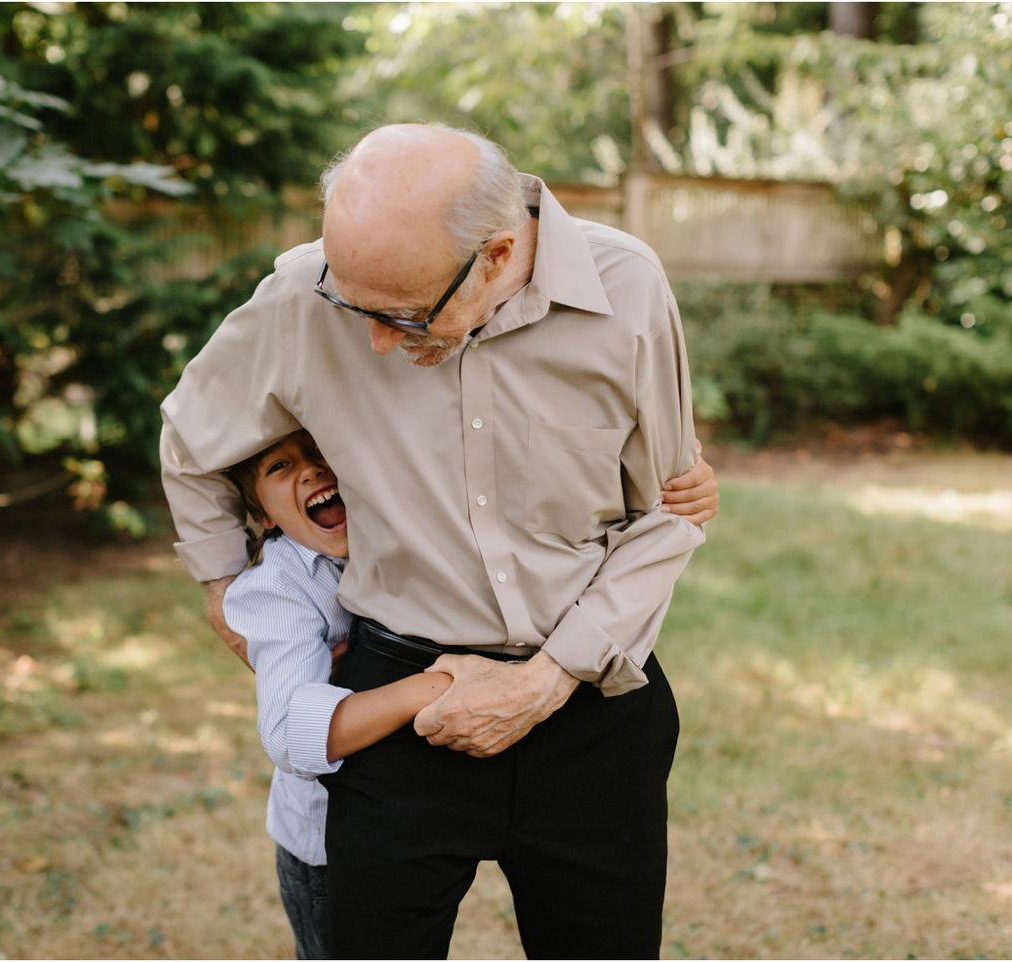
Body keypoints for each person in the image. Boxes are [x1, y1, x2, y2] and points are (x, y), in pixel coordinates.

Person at [160, 123, 719, 958]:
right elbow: (193, 436)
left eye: (402, 314)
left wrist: (546, 679)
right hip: (398, 706)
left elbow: (667, 513)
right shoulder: (305, 295)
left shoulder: (627, 285)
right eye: (358, 310)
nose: (376, 341)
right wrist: (221, 583)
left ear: (496, 254)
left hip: (594, 719)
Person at [221, 429, 454, 959]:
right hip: (326, 846)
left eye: (320, 452)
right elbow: (287, 733)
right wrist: (434, 686)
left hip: (415, 818)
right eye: (280, 468)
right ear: (265, 518)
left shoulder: (401, 533)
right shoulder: (281, 586)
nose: (311, 470)